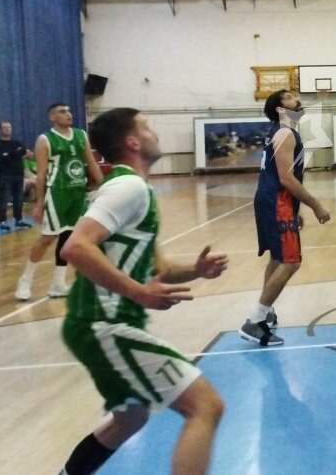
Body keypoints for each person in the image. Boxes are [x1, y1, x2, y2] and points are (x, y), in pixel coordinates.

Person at [58, 107, 227, 475]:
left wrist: (196, 270)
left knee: (130, 418)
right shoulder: (128, 187)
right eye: (147, 127)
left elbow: (157, 268)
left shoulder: (136, 189)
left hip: (98, 323)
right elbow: (75, 247)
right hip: (103, 323)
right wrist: (138, 292)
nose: (155, 133)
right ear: (132, 142)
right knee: (206, 406)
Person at [240, 90, 332, 347]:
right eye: (290, 97)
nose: (297, 99)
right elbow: (286, 178)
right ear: (280, 108)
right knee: (291, 262)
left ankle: (266, 312)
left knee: (277, 258)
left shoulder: (278, 131)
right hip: (276, 202)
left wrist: (295, 208)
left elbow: (278, 175)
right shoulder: (285, 133)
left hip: (274, 201)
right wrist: (315, 205)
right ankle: (255, 322)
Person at [15, 103, 104, 301]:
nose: (68, 114)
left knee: (67, 238)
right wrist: (39, 203)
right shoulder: (45, 139)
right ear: (52, 117)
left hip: (77, 193)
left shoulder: (81, 135)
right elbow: (41, 174)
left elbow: (91, 163)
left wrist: (104, 187)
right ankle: (25, 280)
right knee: (47, 238)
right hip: (57, 193)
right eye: (62, 112)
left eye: (69, 110)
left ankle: (58, 284)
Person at [0, 121, 32, 231]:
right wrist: (16, 154)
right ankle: (3, 221)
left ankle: (18, 219)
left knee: (19, 198)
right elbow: (0, 158)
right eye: (5, 127)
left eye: (9, 127)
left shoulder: (17, 142)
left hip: (18, 174)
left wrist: (9, 154)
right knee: (4, 199)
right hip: (5, 175)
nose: (8, 129)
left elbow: (25, 151)